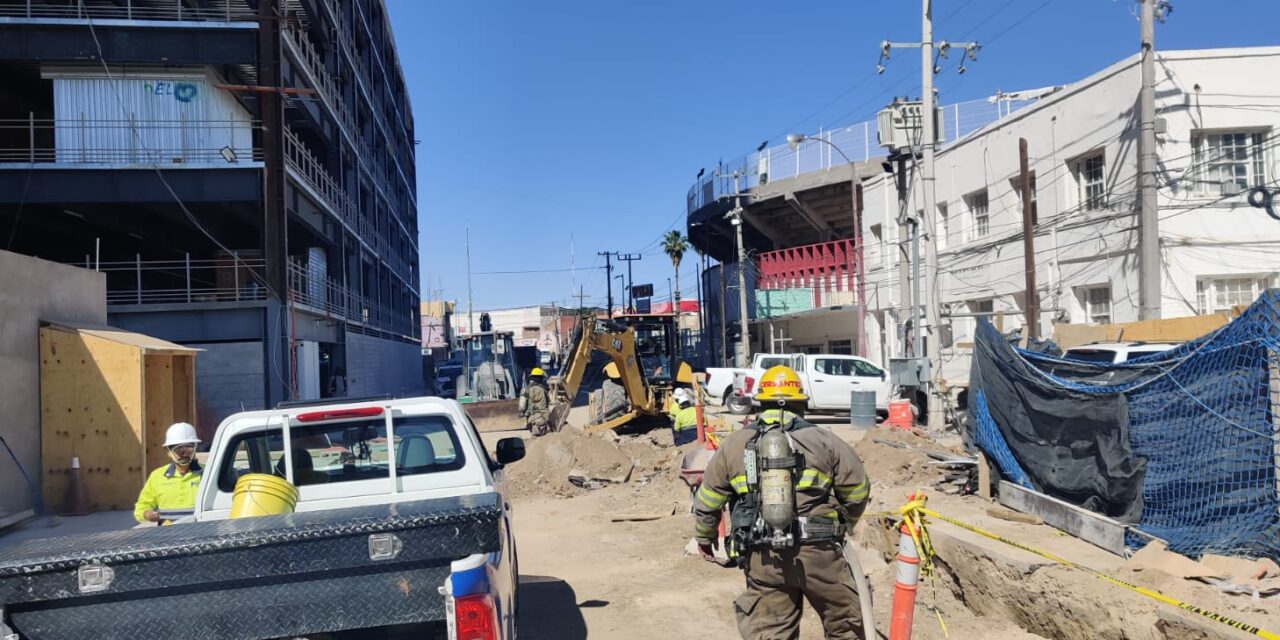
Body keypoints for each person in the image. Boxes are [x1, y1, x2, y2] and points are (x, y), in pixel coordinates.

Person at [692, 365, 871, 640]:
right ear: (801, 404)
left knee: (770, 632)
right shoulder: (826, 441)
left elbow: (708, 499)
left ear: (759, 405)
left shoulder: (735, 444)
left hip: (764, 558)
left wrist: (704, 538)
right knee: (845, 626)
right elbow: (858, 491)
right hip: (821, 554)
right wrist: (844, 524)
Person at [134, 422, 204, 526]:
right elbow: (141, 506)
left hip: (200, 533)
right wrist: (147, 514)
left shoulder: (207, 474)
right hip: (168, 537)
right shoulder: (157, 476)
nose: (185, 454)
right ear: (168, 451)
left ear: (195, 448)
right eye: (179, 451)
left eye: (189, 449)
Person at [520, 367, 551, 436]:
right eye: (542, 378)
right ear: (539, 378)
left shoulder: (526, 389)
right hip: (541, 420)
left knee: (535, 439)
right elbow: (543, 407)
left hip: (531, 420)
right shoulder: (539, 389)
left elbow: (522, 408)